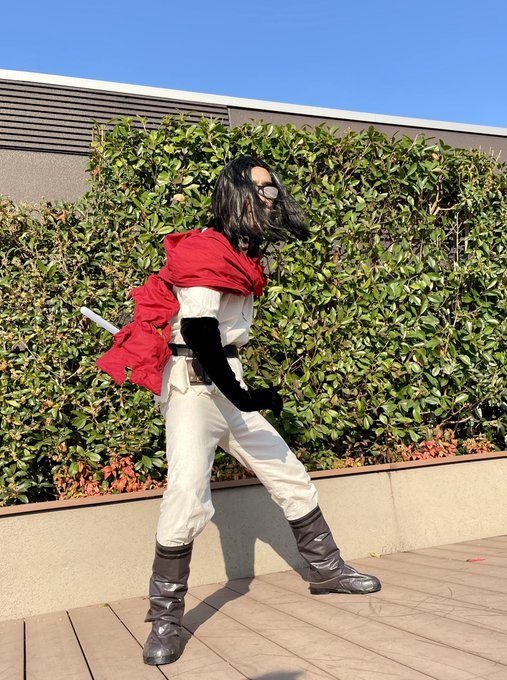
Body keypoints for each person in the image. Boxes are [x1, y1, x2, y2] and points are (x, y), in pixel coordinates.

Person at [97, 156, 380, 667]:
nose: (271, 199)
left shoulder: (237, 254)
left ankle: (326, 569)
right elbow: (200, 332)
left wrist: (241, 394)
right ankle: (165, 618)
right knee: (186, 494)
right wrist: (244, 396)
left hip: (226, 379)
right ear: (236, 193)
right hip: (193, 387)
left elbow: (220, 343)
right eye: (263, 190)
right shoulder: (205, 250)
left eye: (273, 190)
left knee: (286, 471)